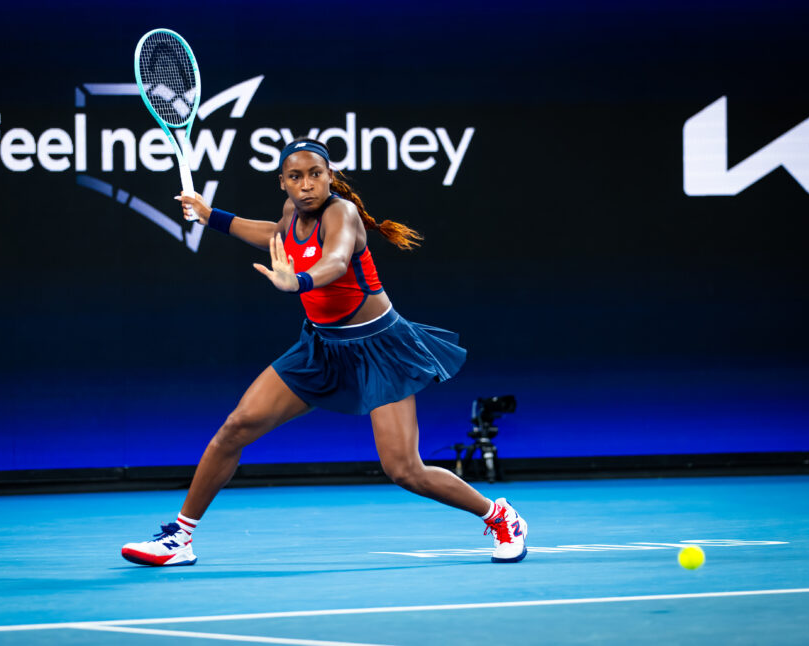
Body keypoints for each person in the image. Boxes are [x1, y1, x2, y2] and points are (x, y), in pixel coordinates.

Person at [121, 138, 526, 566]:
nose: (307, 184)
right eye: (295, 177)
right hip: (320, 346)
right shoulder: (291, 214)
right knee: (236, 426)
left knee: (404, 470)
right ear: (283, 183)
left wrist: (297, 281)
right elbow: (274, 235)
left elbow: (333, 261)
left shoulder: (342, 214)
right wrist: (211, 217)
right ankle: (179, 539)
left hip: (379, 350)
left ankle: (499, 515)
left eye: (316, 174)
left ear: (330, 176)